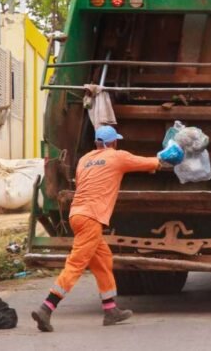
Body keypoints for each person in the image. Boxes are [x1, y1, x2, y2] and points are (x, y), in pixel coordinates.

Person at [32, 125, 180, 331]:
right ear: (114, 142)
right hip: (92, 217)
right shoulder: (117, 157)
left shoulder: (84, 160)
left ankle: (111, 310)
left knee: (103, 260)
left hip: (77, 215)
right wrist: (172, 154)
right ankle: (46, 308)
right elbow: (152, 162)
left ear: (96, 143)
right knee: (75, 264)